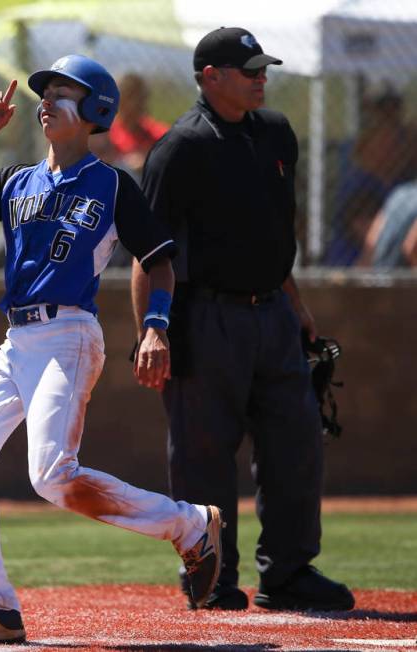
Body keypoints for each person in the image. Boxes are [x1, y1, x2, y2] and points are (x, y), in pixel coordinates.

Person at [0, 54, 223, 644]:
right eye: (47, 92)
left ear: (95, 112)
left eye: (63, 93)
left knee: (51, 476)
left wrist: (156, 327)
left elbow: (159, 262)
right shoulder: (15, 182)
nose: (48, 101)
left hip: (68, 336)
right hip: (17, 341)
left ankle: (189, 525)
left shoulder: (110, 183)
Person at [133, 27, 355, 613]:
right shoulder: (180, 147)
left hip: (273, 314)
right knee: (204, 453)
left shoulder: (276, 133)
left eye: (263, 68)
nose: (261, 77)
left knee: (296, 443)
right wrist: (151, 332)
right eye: (248, 68)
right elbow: (147, 254)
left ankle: (287, 573)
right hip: (206, 317)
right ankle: (211, 576)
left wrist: (299, 305)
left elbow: (274, 238)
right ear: (210, 77)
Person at [324, 87, 417, 266]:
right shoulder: (360, 186)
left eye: (396, 139)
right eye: (383, 141)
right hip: (353, 271)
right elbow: (376, 242)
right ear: (368, 146)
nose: (393, 146)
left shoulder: (402, 183)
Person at [108, 72, 170, 178]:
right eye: (130, 97)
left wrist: (148, 162)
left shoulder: (159, 133)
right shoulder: (105, 133)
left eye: (141, 97)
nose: (139, 103)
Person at [360, 180, 417, 268]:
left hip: (379, 273)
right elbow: (411, 247)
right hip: (403, 275)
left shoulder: (400, 193)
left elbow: (372, 241)